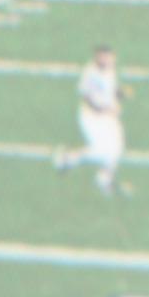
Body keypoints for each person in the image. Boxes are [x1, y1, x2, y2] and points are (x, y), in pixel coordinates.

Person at [53, 45, 125, 197]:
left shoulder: (110, 69)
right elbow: (89, 99)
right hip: (92, 118)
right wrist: (107, 109)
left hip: (107, 115)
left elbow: (110, 90)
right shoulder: (90, 73)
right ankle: (68, 158)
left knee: (117, 147)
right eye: (104, 57)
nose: (109, 60)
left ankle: (104, 179)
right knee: (101, 150)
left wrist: (119, 93)